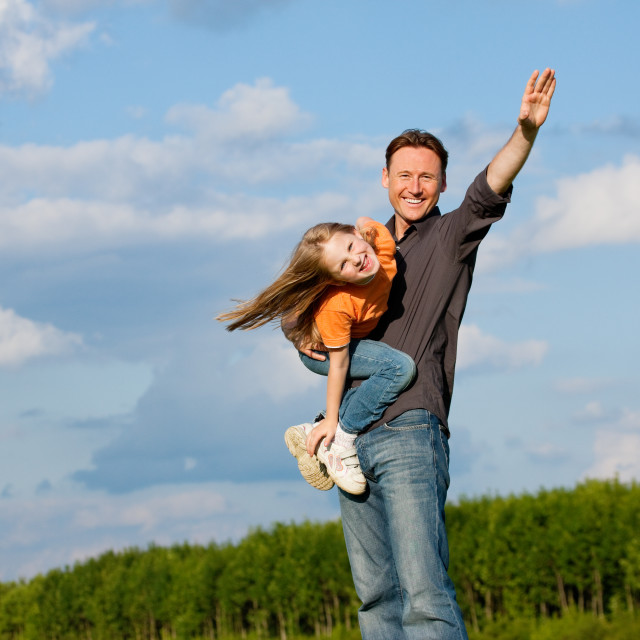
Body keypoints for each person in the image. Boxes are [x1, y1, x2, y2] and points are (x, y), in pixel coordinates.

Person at [290, 68, 556, 639]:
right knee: (375, 599)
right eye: (404, 174)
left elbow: (490, 186)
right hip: (350, 445)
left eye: (428, 178)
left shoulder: (452, 235)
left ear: (441, 184)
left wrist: (526, 134)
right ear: (384, 178)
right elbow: (315, 322)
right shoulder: (359, 254)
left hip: (412, 428)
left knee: (424, 595)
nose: (415, 186)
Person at [217, 216, 416, 494]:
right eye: (343, 265)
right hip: (323, 353)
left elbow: (365, 223)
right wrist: (335, 421)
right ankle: (341, 441)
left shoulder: (379, 241)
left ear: (355, 233)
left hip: (346, 338)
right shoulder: (337, 305)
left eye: (350, 246)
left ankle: (313, 431)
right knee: (398, 368)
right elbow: (339, 365)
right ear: (335, 280)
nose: (356, 260)